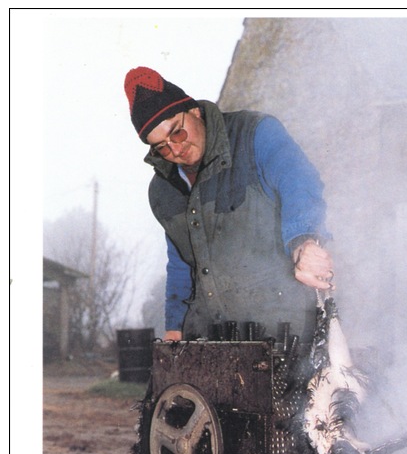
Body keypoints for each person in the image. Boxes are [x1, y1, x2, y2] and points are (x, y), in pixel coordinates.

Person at [124, 66, 334, 343]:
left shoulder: (255, 134)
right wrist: (175, 326)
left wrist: (303, 241)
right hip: (214, 337)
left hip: (290, 332)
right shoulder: (163, 190)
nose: (175, 150)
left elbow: (298, 180)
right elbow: (181, 260)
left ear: (194, 111)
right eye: (161, 147)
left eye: (177, 133)